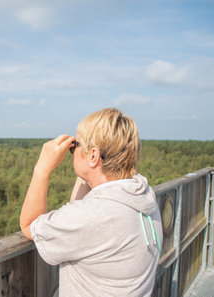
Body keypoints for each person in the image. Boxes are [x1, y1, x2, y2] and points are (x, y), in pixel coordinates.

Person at [20, 107, 162, 297]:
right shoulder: (142, 194)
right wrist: (87, 166)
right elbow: (83, 204)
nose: (72, 150)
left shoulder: (92, 216)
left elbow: (30, 225)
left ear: (93, 156)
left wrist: (42, 169)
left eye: (74, 145)